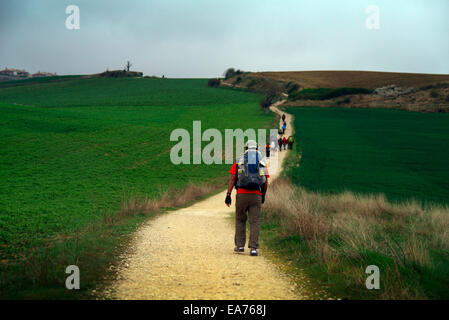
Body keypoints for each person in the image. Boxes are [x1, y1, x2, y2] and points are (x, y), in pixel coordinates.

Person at [225, 140, 269, 257]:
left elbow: (233, 178)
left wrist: (228, 194)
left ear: (246, 148)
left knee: (240, 219)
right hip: (256, 195)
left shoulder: (239, 161)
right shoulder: (261, 162)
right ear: (256, 148)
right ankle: (253, 248)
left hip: (242, 194)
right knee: (255, 221)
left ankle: (240, 246)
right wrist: (263, 195)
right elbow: (265, 182)